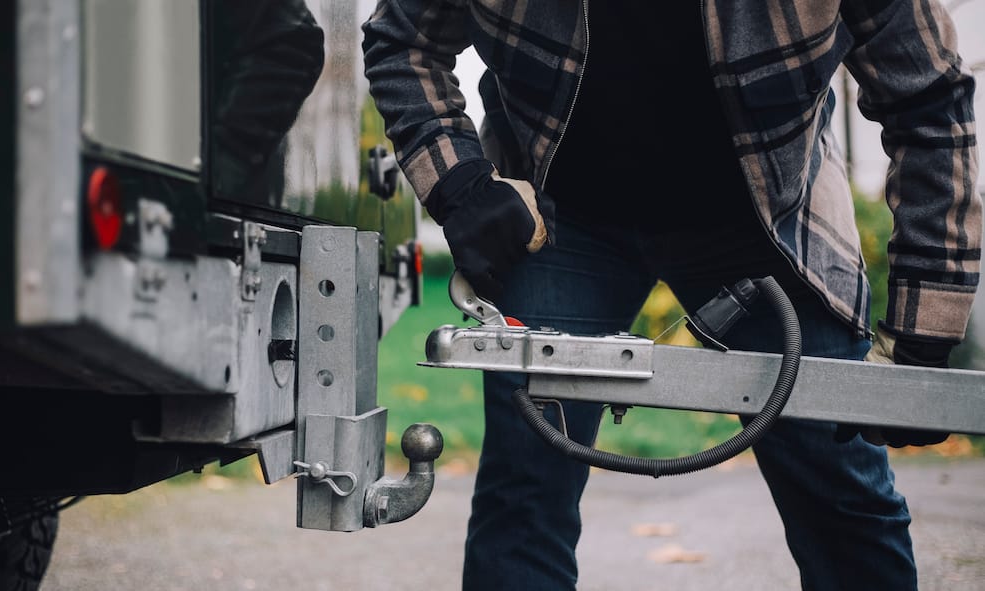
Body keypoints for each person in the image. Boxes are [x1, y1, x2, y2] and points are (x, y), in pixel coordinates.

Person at [362, 1, 980, 589]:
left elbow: (927, 96)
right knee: (524, 488)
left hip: (765, 222)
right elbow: (403, 41)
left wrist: (924, 330)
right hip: (562, 218)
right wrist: (462, 186)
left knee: (842, 490)